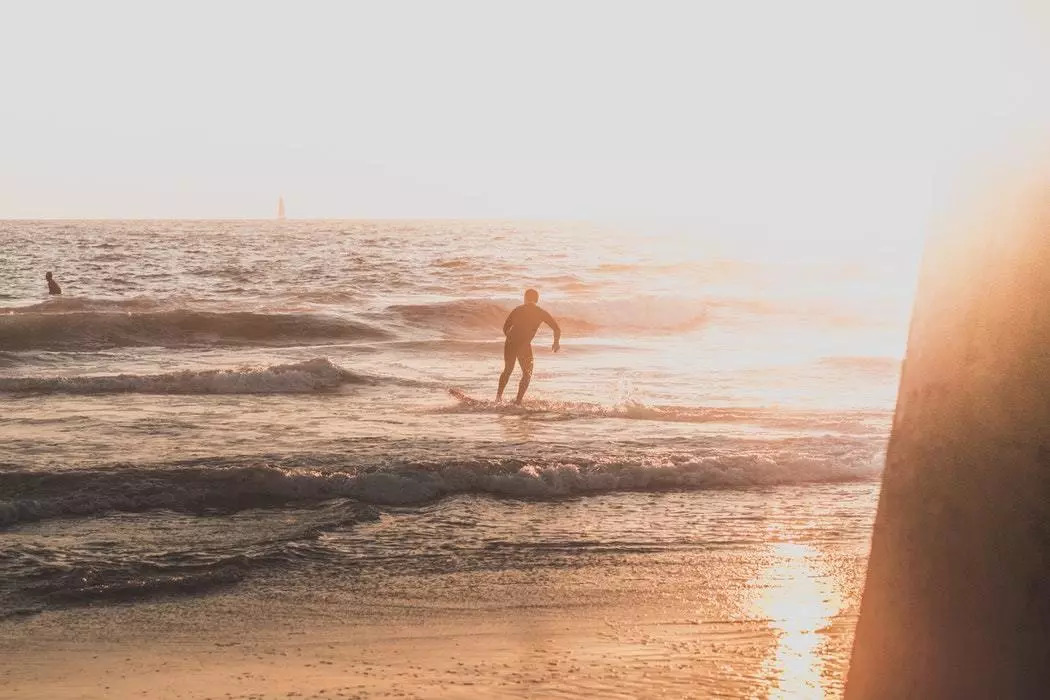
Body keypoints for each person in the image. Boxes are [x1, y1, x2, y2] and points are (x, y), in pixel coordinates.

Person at [497, 288, 561, 404]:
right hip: (524, 345)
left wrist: (510, 338)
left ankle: (498, 398)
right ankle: (518, 402)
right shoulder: (541, 312)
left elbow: (505, 327)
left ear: (525, 298)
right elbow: (556, 328)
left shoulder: (518, 310)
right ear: (537, 299)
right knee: (527, 374)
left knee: (508, 370)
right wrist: (556, 342)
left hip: (511, 343)